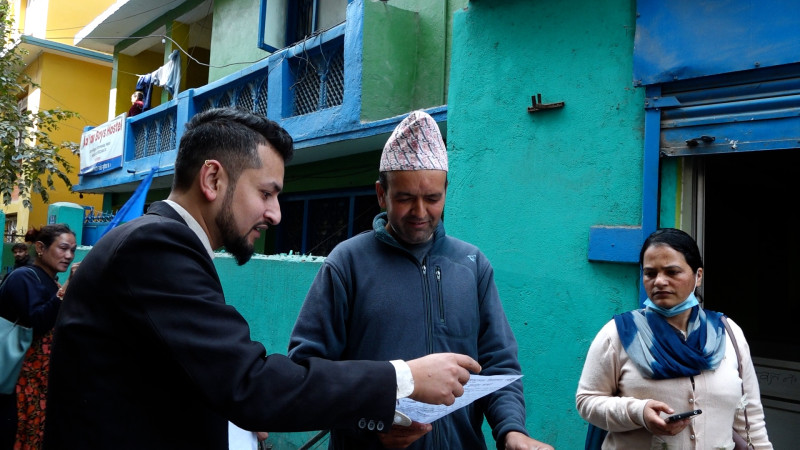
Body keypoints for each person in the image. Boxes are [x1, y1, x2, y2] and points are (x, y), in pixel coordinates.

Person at [42, 107, 481, 450]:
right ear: (213, 177)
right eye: (266, 193)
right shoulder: (155, 249)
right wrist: (403, 377)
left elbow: (188, 380)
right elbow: (249, 382)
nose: (274, 214)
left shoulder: (162, 245)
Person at [287, 111, 554, 450]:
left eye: (432, 199)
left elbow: (498, 365)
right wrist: (370, 425)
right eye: (404, 198)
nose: (419, 212)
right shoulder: (347, 263)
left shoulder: (472, 265)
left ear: (445, 192)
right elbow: (307, 371)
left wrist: (512, 431)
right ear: (381, 194)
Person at [575, 228, 772, 449]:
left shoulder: (728, 333)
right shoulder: (620, 334)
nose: (659, 281)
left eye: (672, 272)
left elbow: (750, 417)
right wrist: (638, 412)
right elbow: (587, 401)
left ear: (698, 276)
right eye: (650, 273)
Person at [0, 224, 78, 449]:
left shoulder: (50, 280)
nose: (69, 256)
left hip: (39, 381)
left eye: (72, 250)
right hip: (19, 379)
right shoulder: (23, 277)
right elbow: (39, 322)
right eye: (63, 248)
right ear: (41, 248)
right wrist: (66, 289)